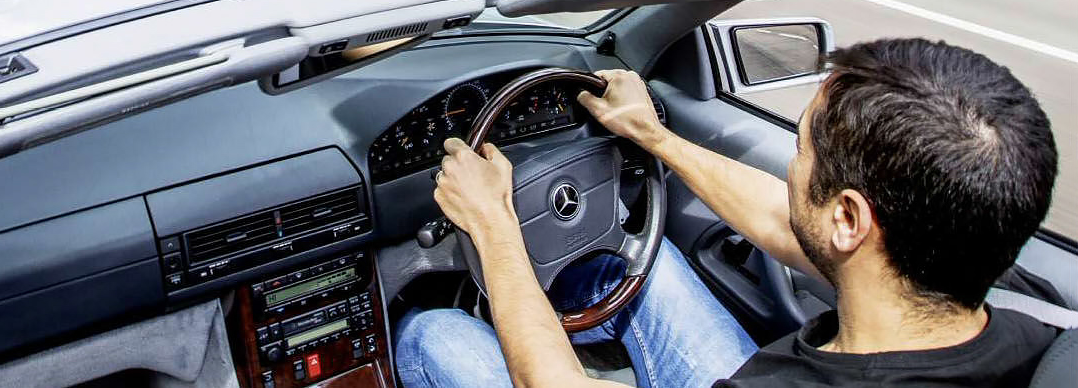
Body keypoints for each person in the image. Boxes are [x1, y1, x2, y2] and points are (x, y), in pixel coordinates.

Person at [395, 38, 1060, 388]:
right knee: (639, 269)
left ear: (849, 219)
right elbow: (784, 221)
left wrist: (493, 226)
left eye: (801, 149)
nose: (791, 168)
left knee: (431, 338)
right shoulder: (1036, 317)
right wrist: (653, 136)